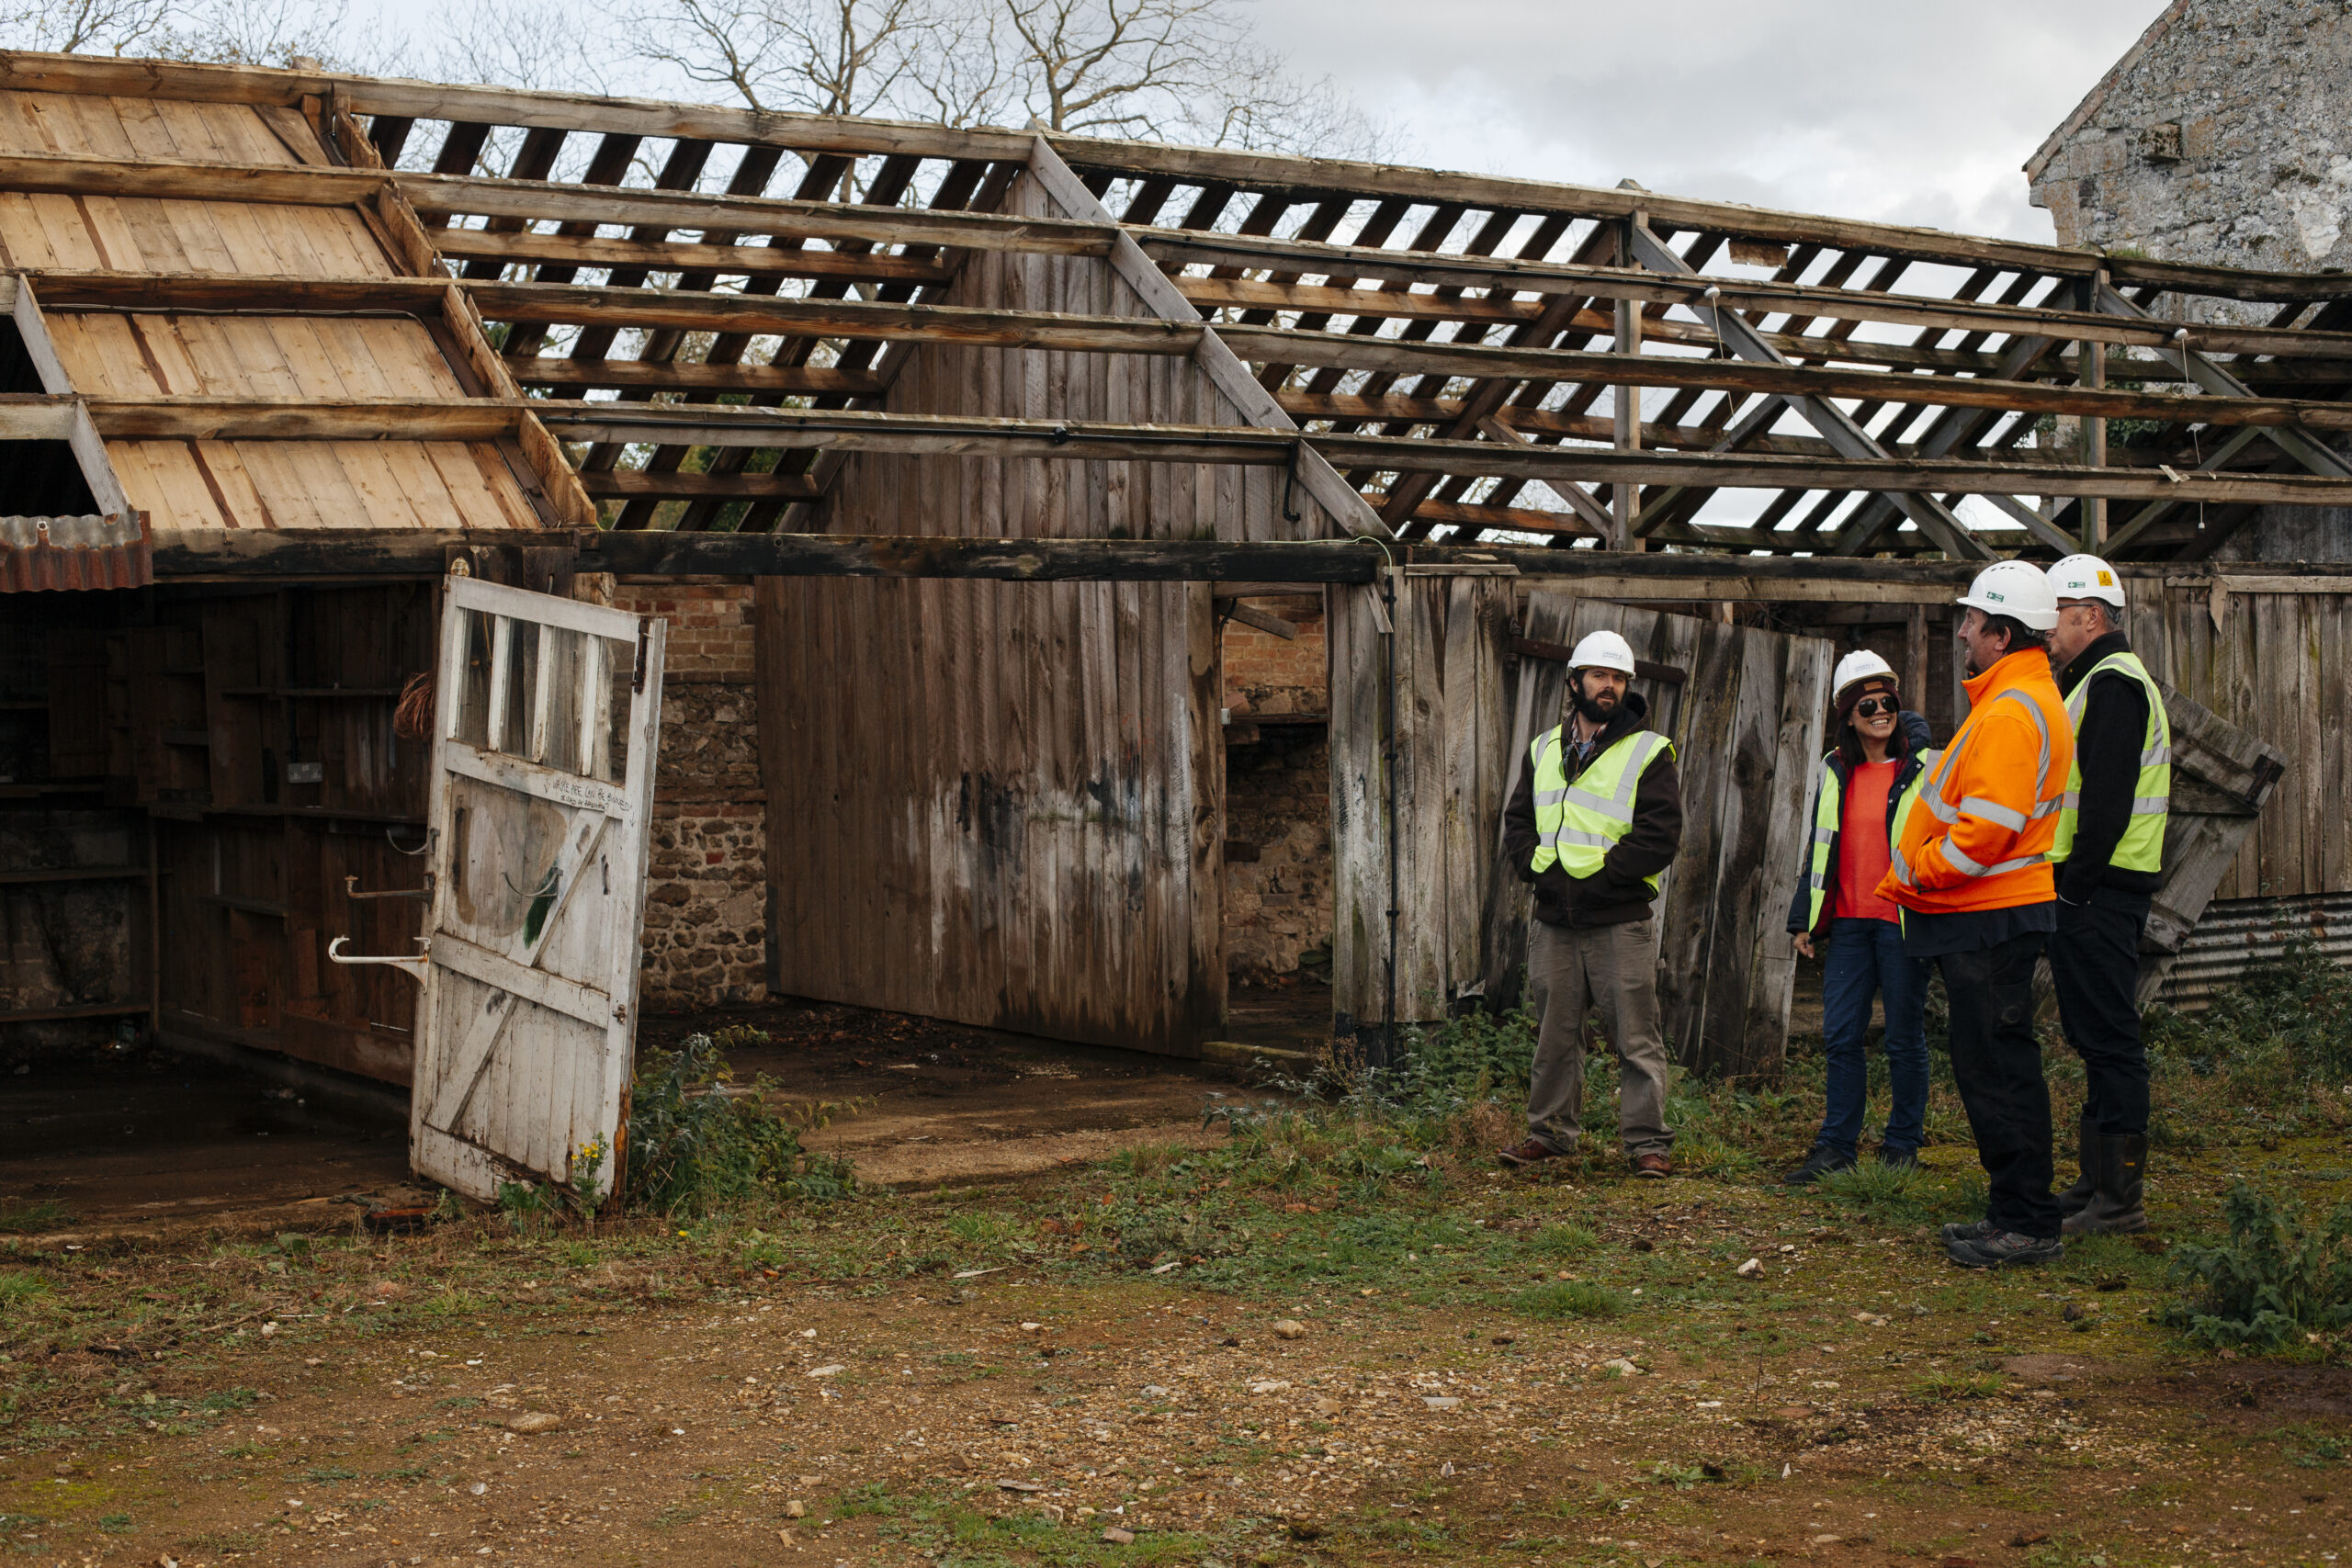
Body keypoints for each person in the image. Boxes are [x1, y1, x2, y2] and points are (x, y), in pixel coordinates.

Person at [1877, 561, 2075, 1269]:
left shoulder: (2015, 710)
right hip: (1985, 918)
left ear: (2002, 633)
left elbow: (1985, 831)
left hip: (1986, 917)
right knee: (1990, 1064)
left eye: (1971, 620)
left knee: (1998, 1070)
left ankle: (2027, 1223)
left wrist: (1920, 872)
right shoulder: (2011, 700)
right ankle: (2012, 1213)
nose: (1962, 629)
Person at [1496, 628, 1685, 1179]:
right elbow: (1518, 822)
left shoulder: (1648, 750)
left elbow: (1659, 836)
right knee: (1555, 1037)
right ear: (1574, 681)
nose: (1610, 686)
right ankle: (1549, 1135)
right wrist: (1539, 872)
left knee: (1635, 1037)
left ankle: (1648, 1144)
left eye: (1619, 678)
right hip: (1554, 919)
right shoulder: (1543, 748)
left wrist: (1601, 880)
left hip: (1618, 921)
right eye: (1600, 676)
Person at [2042, 554, 2170, 1235]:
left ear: (2089, 616)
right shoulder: (2093, 681)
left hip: (2100, 890)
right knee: (2095, 1038)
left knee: (2112, 1041)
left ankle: (2119, 1201)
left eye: (2057, 617)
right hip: (2096, 889)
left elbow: (2108, 804)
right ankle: (2097, 1182)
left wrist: (2075, 891)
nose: (2049, 630)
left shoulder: (2113, 683)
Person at [1781, 650, 1935, 1185]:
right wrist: (1804, 918)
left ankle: (1901, 1146)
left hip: (1904, 922)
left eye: (1886, 701)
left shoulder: (1924, 767)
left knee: (1903, 1038)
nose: (1879, 711)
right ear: (1848, 714)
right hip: (1848, 923)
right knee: (1841, 1035)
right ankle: (1837, 1146)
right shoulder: (1834, 769)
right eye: (1865, 703)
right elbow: (1819, 846)